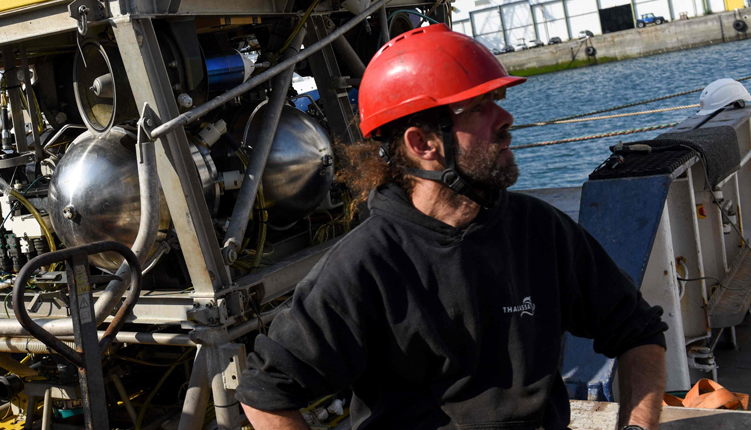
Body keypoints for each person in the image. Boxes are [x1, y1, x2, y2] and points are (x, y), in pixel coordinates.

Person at [236, 25, 667, 430]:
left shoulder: (540, 230)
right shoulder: (365, 266)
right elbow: (265, 393)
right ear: (422, 143)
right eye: (480, 107)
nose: (505, 119)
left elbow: (639, 332)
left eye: (498, 100)